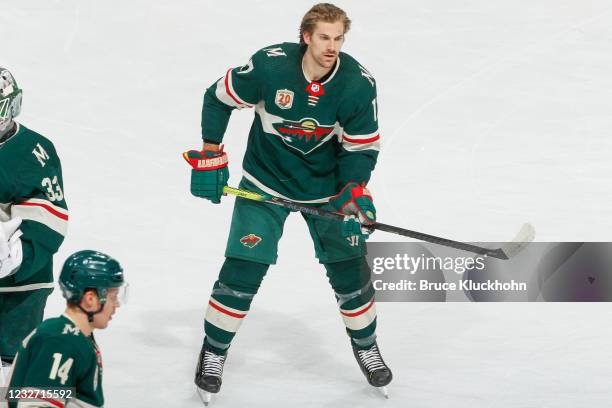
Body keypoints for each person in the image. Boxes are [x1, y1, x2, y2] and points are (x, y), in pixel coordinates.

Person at [185, 3, 392, 400]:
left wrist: (354, 189)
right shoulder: (269, 67)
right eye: (324, 37)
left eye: (338, 38)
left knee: (350, 273)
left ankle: (367, 348)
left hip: (327, 189)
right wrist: (211, 151)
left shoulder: (357, 85)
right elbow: (217, 97)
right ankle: (214, 351)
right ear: (306, 37)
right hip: (265, 183)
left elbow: (361, 147)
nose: (332, 46)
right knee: (244, 268)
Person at [0, 67, 69, 380]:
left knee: (13, 367)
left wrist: (20, 258)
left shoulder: (34, 152)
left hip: (21, 285)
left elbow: (50, 216)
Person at [3, 250, 127, 408]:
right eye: (113, 297)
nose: (116, 305)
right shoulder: (60, 342)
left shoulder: (70, 337)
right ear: (90, 299)